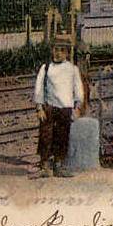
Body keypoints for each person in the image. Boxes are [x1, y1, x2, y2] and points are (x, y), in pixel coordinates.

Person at [32, 35, 84, 179]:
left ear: (67, 53)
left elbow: (78, 88)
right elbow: (39, 88)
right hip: (49, 107)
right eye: (55, 49)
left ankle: (59, 165)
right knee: (46, 136)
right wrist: (39, 107)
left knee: (62, 136)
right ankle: (44, 165)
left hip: (65, 108)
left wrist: (77, 106)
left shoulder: (72, 69)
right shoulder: (46, 68)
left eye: (62, 50)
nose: (58, 53)